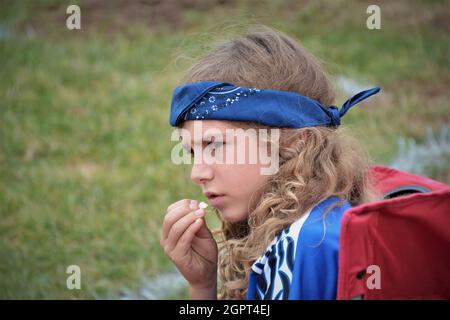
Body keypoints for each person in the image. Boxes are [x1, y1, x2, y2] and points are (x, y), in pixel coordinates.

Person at [160, 26, 381, 300]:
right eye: (192, 152)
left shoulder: (306, 243)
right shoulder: (311, 222)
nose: (197, 173)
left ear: (295, 141)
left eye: (214, 145)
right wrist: (202, 286)